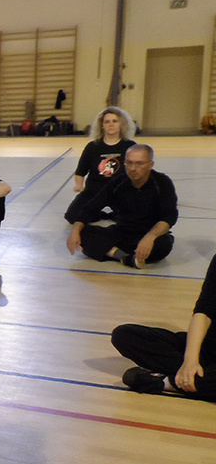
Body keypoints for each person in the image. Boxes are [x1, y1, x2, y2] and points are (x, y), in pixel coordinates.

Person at [111, 252, 216, 401]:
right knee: (124, 335)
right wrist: (190, 360)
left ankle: (166, 382)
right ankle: (195, 377)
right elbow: (203, 313)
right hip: (208, 346)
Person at [66, 144, 176, 268]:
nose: (133, 168)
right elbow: (90, 208)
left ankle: (108, 251)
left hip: (149, 233)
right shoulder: (118, 183)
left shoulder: (162, 183)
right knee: (83, 233)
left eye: (139, 164)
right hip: (122, 232)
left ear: (150, 165)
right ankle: (124, 257)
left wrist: (150, 237)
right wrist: (75, 230)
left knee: (164, 244)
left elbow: (169, 216)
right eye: (129, 163)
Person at [65, 106, 136, 223]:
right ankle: (98, 214)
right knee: (72, 216)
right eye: (107, 122)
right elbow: (80, 171)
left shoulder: (130, 146)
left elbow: (138, 171)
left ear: (121, 124)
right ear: (102, 125)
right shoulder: (92, 147)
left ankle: (116, 215)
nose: (111, 124)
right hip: (94, 190)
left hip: (119, 190)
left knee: (135, 217)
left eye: (114, 121)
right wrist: (79, 185)